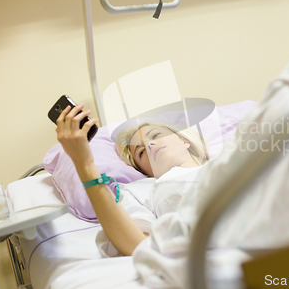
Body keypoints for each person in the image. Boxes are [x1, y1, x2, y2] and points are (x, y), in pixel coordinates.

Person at [55, 104, 207, 256]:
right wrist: (84, 164)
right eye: (141, 152)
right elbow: (138, 246)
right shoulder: (141, 191)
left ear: (184, 140)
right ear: (143, 170)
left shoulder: (223, 162)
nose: (149, 144)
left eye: (155, 136)